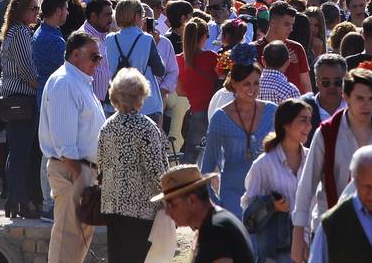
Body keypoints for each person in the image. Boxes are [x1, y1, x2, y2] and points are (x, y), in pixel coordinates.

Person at [291, 67, 372, 262]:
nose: (366, 105)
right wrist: (299, 236)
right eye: (360, 98)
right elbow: (307, 186)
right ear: (346, 97)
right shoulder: (327, 133)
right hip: (331, 228)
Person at [37, 31, 104, 263]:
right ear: (76, 55)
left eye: (99, 58)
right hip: (73, 169)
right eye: (94, 57)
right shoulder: (65, 82)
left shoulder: (79, 81)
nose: (98, 63)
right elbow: (64, 142)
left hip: (83, 169)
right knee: (67, 236)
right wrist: (79, 177)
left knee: (78, 237)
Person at [98, 66, 171, 260]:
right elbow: (157, 170)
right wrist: (170, 198)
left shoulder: (107, 126)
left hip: (112, 205)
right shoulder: (146, 127)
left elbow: (101, 166)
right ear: (140, 95)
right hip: (140, 208)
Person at [201, 48, 277, 217]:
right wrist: (216, 207)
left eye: (256, 83)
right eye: (246, 83)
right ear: (234, 84)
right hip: (232, 202)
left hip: (267, 200)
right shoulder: (220, 118)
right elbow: (206, 169)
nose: (252, 89)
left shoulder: (272, 112)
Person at [242, 98, 312, 263]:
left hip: (311, 247)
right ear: (286, 124)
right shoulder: (264, 164)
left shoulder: (313, 158)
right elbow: (248, 208)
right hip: (276, 251)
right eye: (303, 121)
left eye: (310, 120)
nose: (309, 126)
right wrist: (271, 205)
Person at [0, 0, 41, 218]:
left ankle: (14, 200)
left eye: (38, 8)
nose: (37, 12)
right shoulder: (21, 33)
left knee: (16, 153)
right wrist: (42, 89)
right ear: (20, 10)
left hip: (15, 98)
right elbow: (27, 71)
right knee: (21, 154)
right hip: (22, 99)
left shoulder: (13, 32)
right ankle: (21, 201)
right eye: (33, 8)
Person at [156, 163, 253, 263]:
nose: (167, 212)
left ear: (191, 200)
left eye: (172, 205)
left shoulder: (216, 229)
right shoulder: (212, 224)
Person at [177, 17, 218, 164]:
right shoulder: (211, 57)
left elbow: (180, 91)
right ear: (202, 37)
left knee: (190, 157)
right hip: (212, 111)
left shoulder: (179, 60)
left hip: (194, 113)